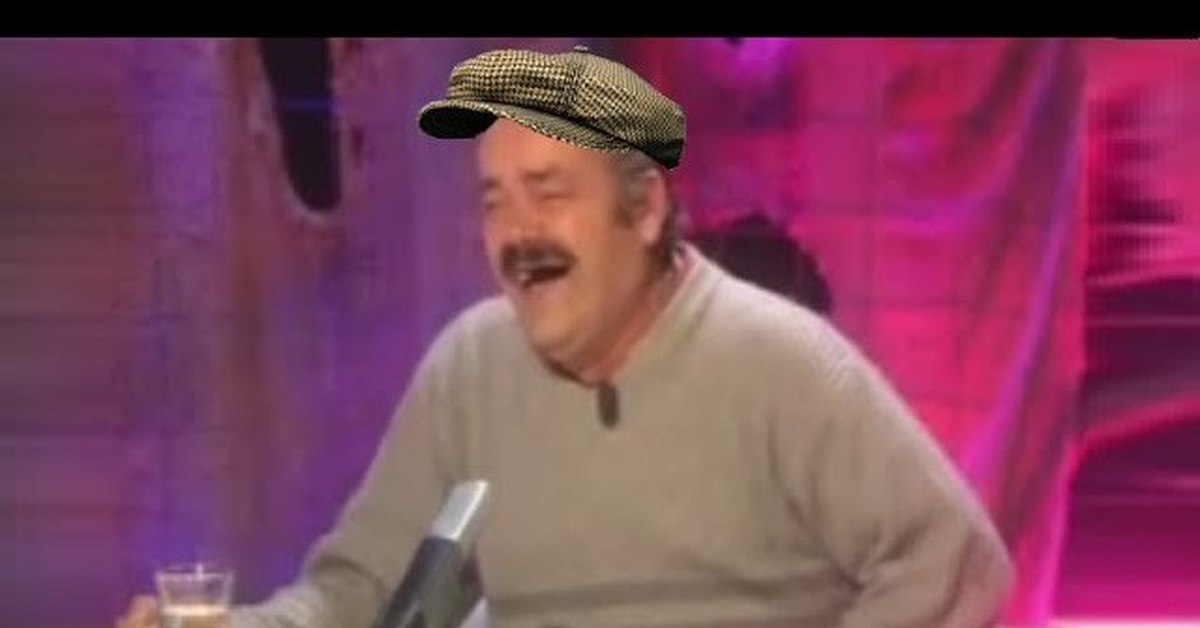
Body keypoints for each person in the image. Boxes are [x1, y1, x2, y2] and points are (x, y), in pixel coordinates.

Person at [119, 45, 1013, 628]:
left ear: (646, 209)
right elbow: (362, 589)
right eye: (494, 201)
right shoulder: (470, 369)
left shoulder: (779, 362)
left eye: (549, 193)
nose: (518, 235)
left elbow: (953, 563)